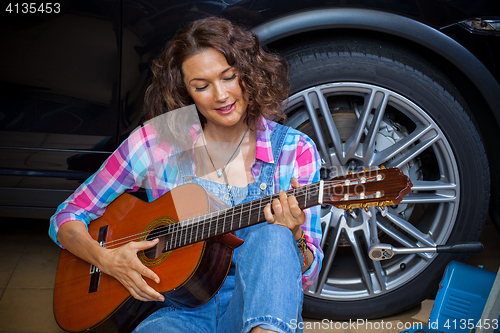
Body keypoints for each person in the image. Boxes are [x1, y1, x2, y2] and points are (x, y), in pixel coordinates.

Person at [49, 17, 323, 333]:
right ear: (184, 91)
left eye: (229, 77)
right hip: (173, 309)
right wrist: (106, 260)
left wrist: (296, 237)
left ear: (248, 74)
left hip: (257, 307)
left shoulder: (293, 150)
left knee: (273, 233)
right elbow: (68, 215)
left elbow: (306, 275)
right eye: (202, 86)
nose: (221, 95)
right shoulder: (154, 142)